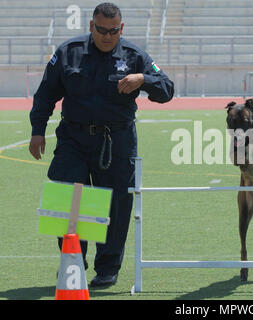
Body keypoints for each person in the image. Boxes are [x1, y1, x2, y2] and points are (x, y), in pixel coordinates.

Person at [29, 2, 174, 287]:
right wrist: (37, 131)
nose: (107, 36)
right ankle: (74, 261)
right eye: (101, 30)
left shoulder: (133, 57)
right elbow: (45, 94)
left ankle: (107, 268)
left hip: (116, 141)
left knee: (116, 204)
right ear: (91, 26)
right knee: (68, 199)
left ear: (121, 28)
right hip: (74, 138)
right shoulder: (69, 52)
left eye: (113, 31)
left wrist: (143, 79)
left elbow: (167, 89)